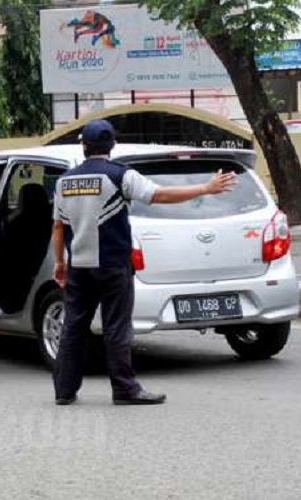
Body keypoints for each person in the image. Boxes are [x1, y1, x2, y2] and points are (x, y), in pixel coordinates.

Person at [52, 119, 237, 406]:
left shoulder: (65, 181)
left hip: (79, 264)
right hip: (113, 264)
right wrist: (206, 188)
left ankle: (64, 390)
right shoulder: (120, 175)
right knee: (116, 327)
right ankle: (124, 389)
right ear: (112, 145)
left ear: (83, 145)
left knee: (74, 326)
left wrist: (59, 263)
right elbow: (159, 195)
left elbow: (58, 227)